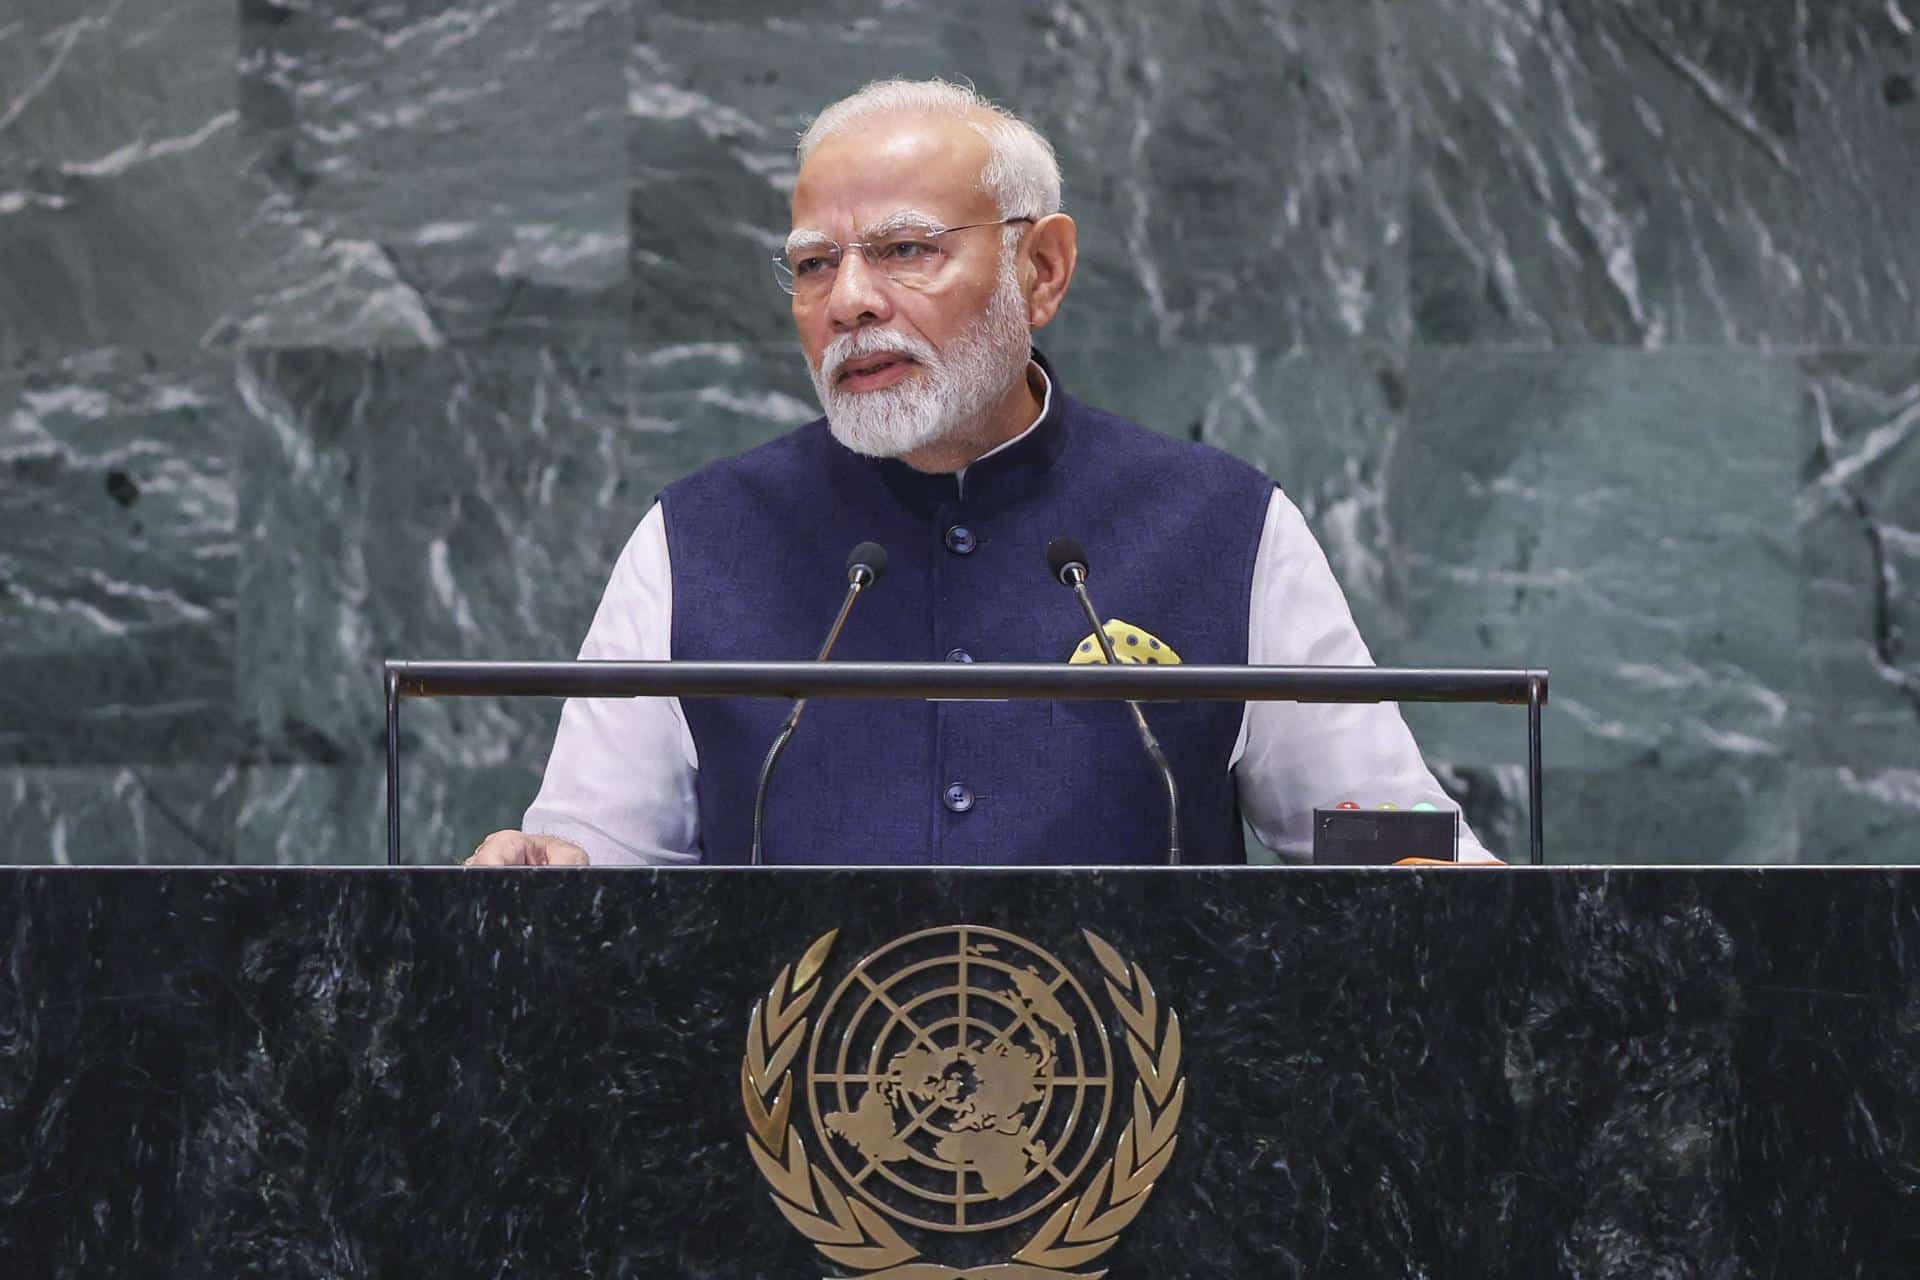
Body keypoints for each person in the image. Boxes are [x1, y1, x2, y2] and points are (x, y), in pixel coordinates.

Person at [468, 78, 1493, 868]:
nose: (851, 301)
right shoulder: (695, 540)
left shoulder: (1222, 526)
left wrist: (1465, 886)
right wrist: (540, 870)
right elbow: (591, 864)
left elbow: (1382, 837)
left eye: (905, 249)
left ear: (1040, 270)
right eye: (816, 263)